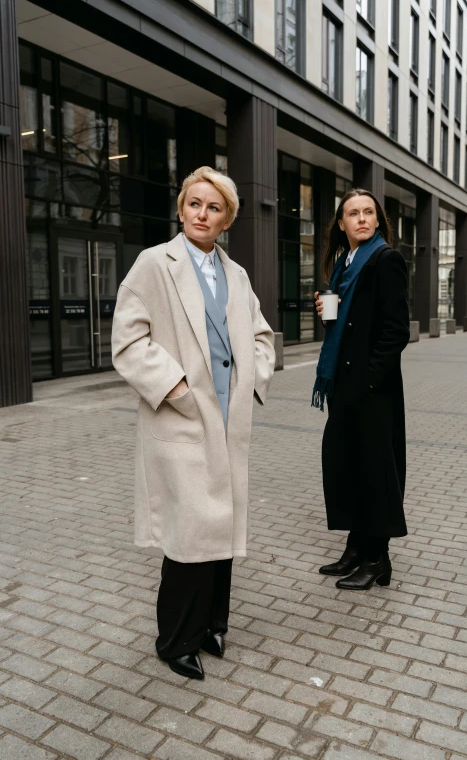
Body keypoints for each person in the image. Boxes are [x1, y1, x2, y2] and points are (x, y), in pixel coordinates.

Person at [112, 166, 275, 680]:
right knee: (188, 536)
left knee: (220, 529)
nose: (202, 214)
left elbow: (262, 336)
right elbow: (129, 342)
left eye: (215, 207)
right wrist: (177, 389)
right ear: (181, 209)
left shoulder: (237, 274)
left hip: (229, 420)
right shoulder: (151, 264)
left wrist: (251, 380)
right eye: (194, 204)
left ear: (227, 218)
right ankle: (175, 639)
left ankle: (212, 625)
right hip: (182, 419)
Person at [312, 188, 409, 591]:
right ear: (341, 223)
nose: (362, 219)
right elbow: (341, 328)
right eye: (353, 213)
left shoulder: (385, 260)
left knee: (373, 471)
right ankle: (356, 546)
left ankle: (377, 557)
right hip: (344, 384)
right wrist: (325, 314)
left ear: (378, 219)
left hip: (372, 388)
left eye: (369, 212)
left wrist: (369, 380)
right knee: (346, 465)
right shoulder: (343, 264)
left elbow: (395, 331)